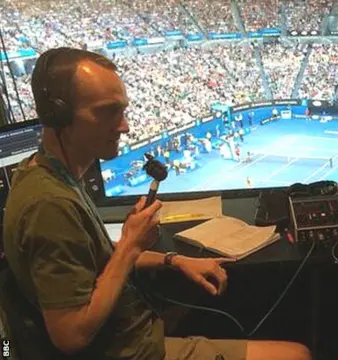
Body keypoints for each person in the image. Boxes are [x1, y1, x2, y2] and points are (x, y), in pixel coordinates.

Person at [2, 48, 311, 360]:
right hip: (131, 350)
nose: (124, 127)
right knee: (297, 354)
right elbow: (70, 334)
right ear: (59, 116)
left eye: (122, 111)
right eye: (108, 112)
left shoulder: (51, 175)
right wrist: (130, 245)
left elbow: (96, 261)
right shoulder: (49, 205)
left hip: (133, 330)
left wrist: (173, 260)